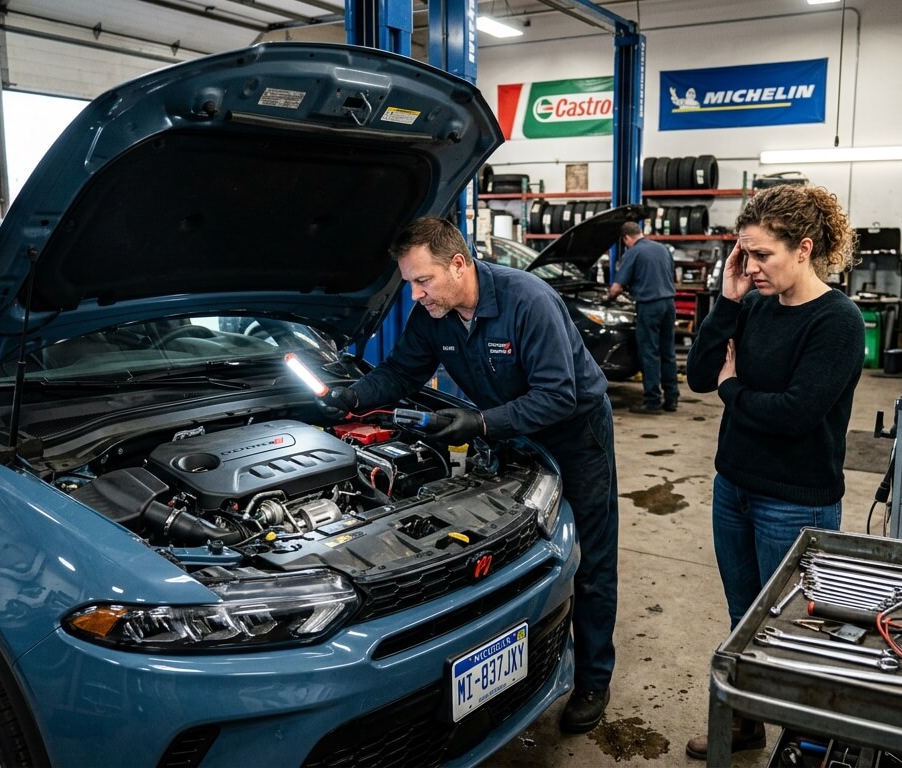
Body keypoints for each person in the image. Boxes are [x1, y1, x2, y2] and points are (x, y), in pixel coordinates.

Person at [322, 216, 621, 734]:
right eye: (410, 283)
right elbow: (399, 373)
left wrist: (481, 422)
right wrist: (350, 398)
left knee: (590, 559)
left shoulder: (528, 300)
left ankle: (594, 678)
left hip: (577, 437)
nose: (415, 295)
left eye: (424, 280)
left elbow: (558, 395)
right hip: (508, 431)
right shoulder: (436, 314)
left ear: (459, 264)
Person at [682, 185, 864, 760]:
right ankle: (747, 722)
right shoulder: (753, 304)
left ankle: (800, 745)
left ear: (805, 248)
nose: (752, 266)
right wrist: (729, 300)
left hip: (794, 500)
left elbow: (794, 414)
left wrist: (734, 389)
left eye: (762, 256)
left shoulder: (837, 321)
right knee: (744, 619)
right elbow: (698, 375)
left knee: (792, 633)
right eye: (745, 254)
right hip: (732, 486)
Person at [606, 221, 679, 414]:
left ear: (626, 238)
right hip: (669, 304)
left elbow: (617, 287)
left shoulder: (633, 252)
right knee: (667, 352)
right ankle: (672, 398)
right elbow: (672, 276)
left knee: (649, 353)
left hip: (649, 305)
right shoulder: (662, 249)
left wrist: (607, 298)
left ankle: (652, 401)